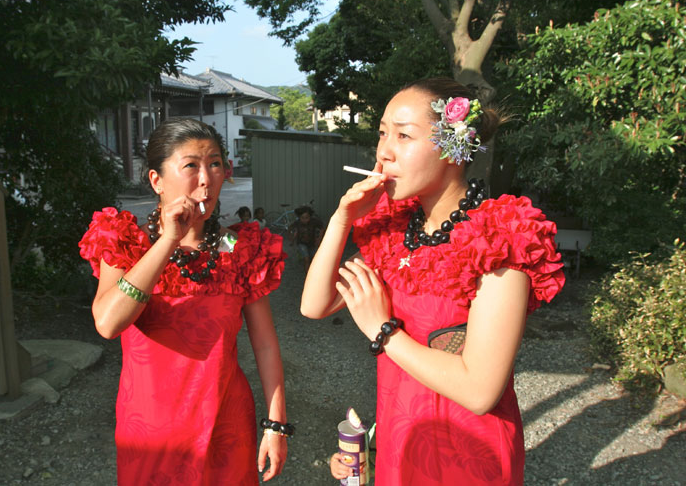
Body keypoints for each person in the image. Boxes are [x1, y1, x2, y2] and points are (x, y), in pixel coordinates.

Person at [301, 78, 565, 485]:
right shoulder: (394, 230)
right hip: (401, 439)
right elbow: (314, 305)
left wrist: (383, 331)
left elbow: (480, 391)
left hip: (469, 457)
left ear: (453, 148)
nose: (384, 152)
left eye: (403, 135)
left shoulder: (498, 237)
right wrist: (341, 219)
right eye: (382, 134)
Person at [78, 118, 293, 485]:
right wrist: (167, 241)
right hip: (151, 434)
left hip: (226, 426)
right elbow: (108, 324)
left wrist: (276, 425)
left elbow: (265, 344)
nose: (206, 179)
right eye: (191, 165)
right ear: (156, 180)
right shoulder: (125, 241)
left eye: (215, 164)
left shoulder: (239, 248)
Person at [287, 206, 324, 273]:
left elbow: (322, 228)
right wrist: (291, 238)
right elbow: (290, 228)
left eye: (307, 218)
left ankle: (312, 270)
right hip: (301, 243)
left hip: (311, 243)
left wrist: (318, 239)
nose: (305, 220)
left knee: (313, 258)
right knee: (306, 259)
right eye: (302, 218)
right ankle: (307, 274)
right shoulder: (297, 223)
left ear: (310, 217)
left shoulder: (313, 222)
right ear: (299, 217)